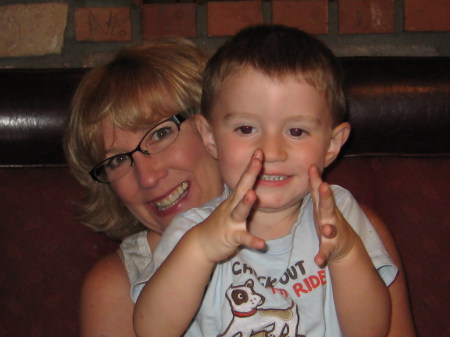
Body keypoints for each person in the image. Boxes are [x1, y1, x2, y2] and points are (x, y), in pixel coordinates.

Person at [64, 38, 415, 337]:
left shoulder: (343, 222)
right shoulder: (169, 250)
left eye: (159, 133)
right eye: (116, 160)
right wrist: (200, 248)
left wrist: (348, 255)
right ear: (211, 133)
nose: (148, 176)